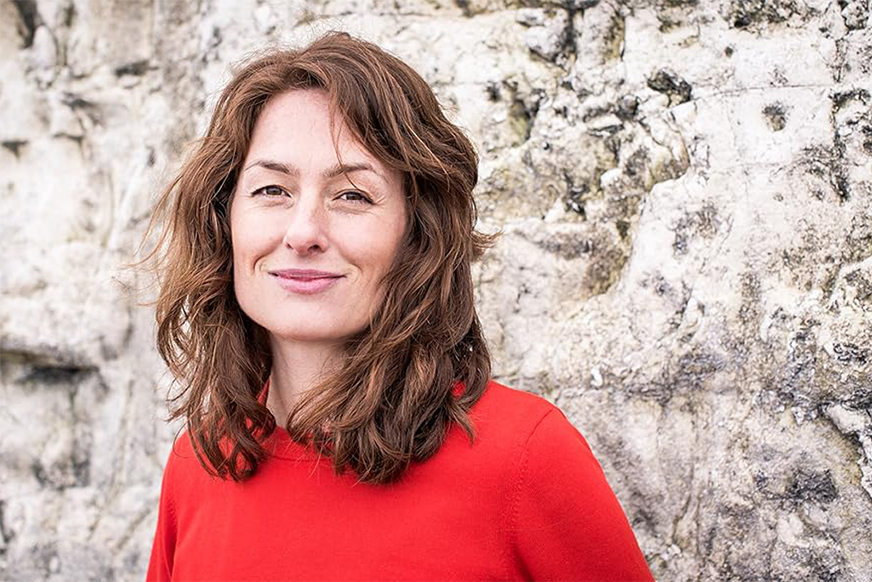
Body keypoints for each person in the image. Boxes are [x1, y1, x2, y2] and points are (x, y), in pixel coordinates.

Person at [143, 31, 655, 581]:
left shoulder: (526, 457)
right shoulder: (200, 464)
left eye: (353, 196)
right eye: (272, 190)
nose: (303, 232)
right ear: (225, 222)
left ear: (417, 235)